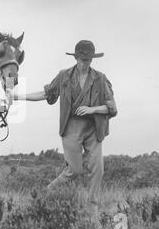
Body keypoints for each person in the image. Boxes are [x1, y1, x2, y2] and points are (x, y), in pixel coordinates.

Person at [14, 40, 117, 205]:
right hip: (71, 127)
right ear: (76, 58)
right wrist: (17, 97)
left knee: (98, 169)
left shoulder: (100, 78)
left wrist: (93, 109)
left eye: (89, 60)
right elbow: (45, 94)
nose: (86, 63)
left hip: (94, 128)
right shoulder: (64, 76)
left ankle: (93, 209)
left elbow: (111, 108)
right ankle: (43, 195)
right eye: (83, 60)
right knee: (74, 170)